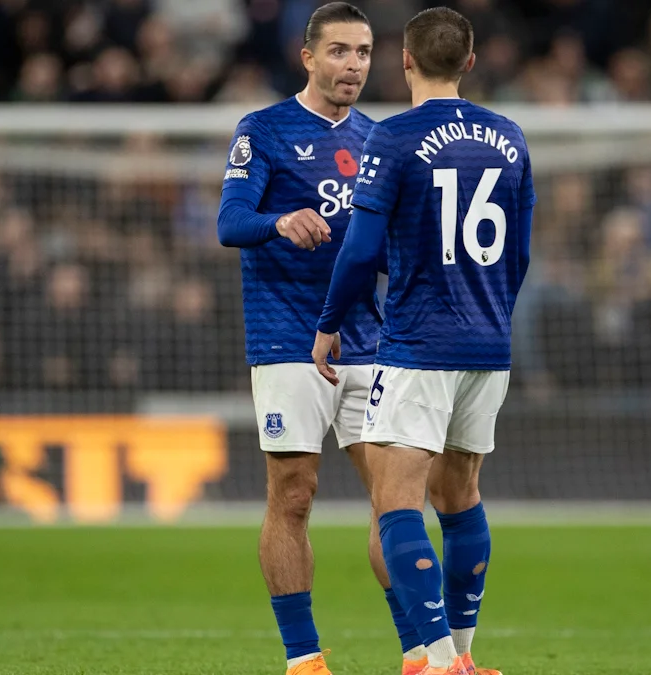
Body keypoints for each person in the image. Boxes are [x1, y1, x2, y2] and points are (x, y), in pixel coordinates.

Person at [313, 7, 534, 675]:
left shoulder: (393, 137)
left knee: (397, 501)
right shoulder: (510, 137)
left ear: (404, 60)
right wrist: (490, 316)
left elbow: (360, 250)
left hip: (417, 343)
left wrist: (329, 323)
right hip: (489, 345)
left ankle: (436, 662)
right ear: (470, 62)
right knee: (461, 497)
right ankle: (463, 655)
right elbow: (520, 254)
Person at [216, 5, 423, 675]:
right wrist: (279, 221)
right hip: (285, 337)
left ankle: (420, 654)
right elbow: (230, 222)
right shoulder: (263, 130)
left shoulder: (380, 139)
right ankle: (304, 659)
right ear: (308, 57)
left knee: (396, 501)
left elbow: (389, 247)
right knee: (294, 494)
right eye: (339, 51)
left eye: (363, 52)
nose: (353, 65)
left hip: (368, 340)